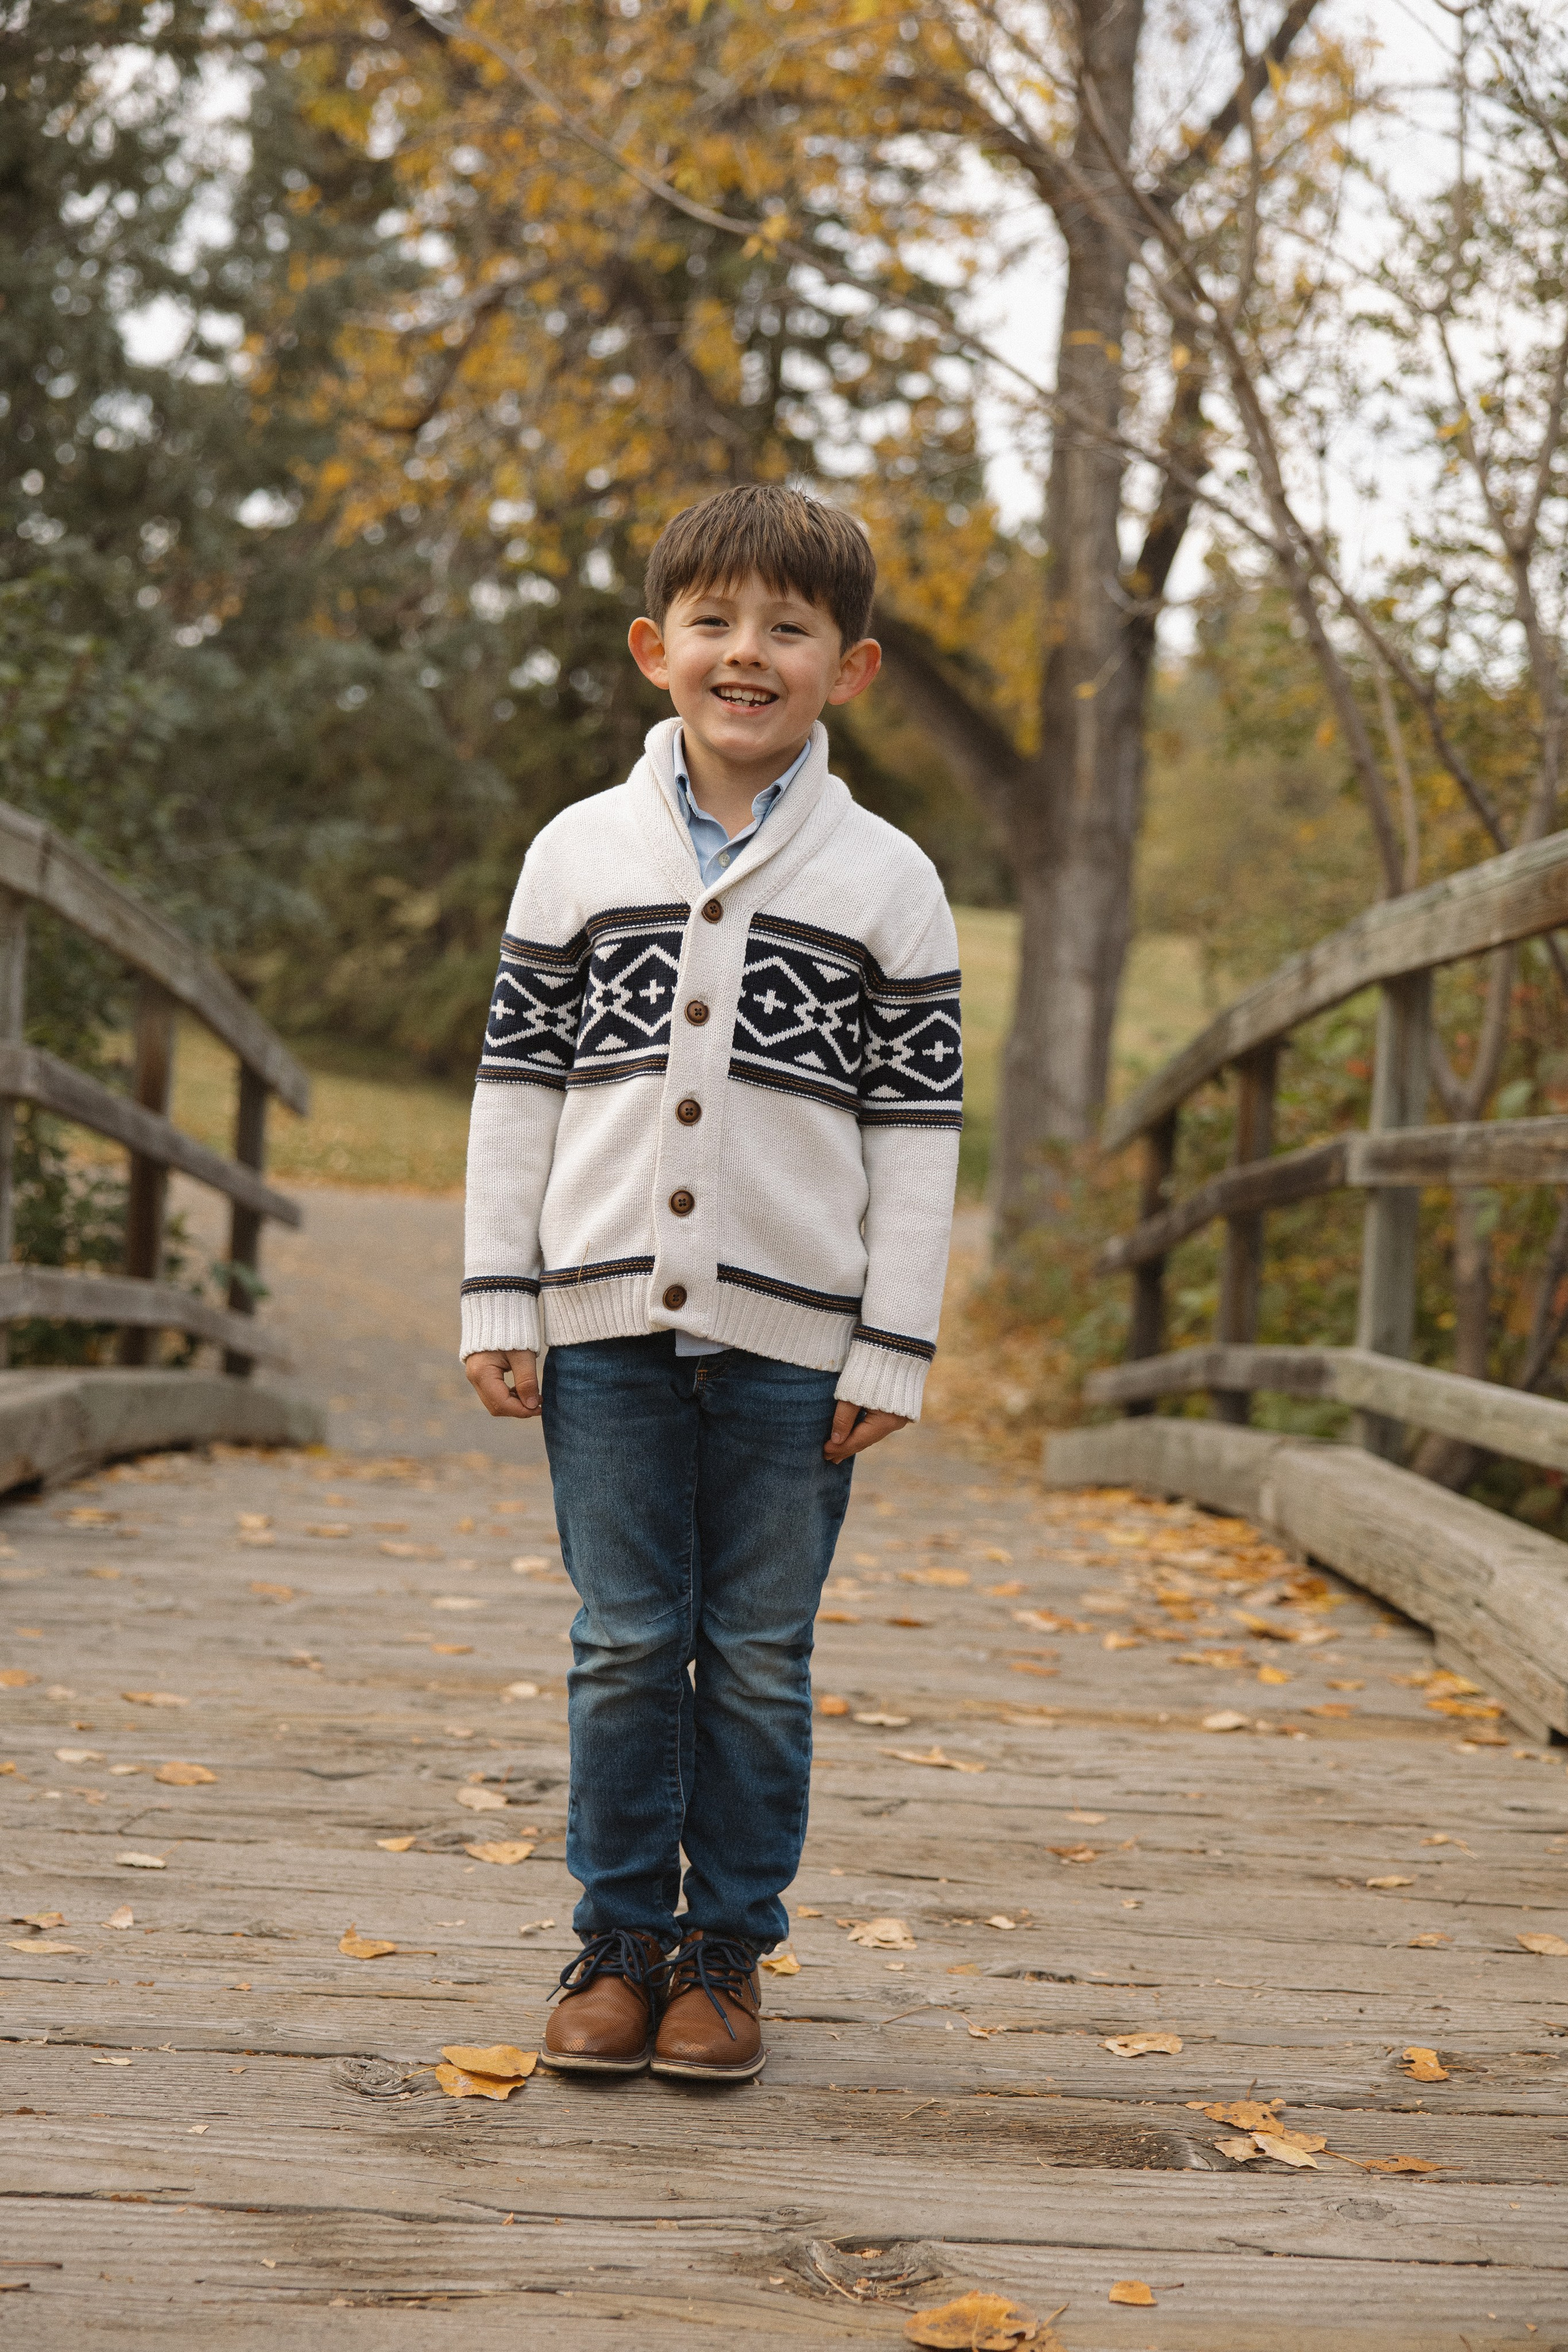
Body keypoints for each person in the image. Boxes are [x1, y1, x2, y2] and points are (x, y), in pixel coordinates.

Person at [461, 483, 961, 2081]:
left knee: (753, 1651)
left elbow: (919, 1134)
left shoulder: (892, 885)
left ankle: (726, 1956)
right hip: (600, 1328)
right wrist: (497, 1295)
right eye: (716, 623)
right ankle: (618, 1940)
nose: (749, 654)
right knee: (622, 1635)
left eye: (789, 629)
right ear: (653, 650)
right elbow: (518, 1090)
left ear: (852, 666)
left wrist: (893, 1345)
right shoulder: (575, 856)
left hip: (794, 1348)